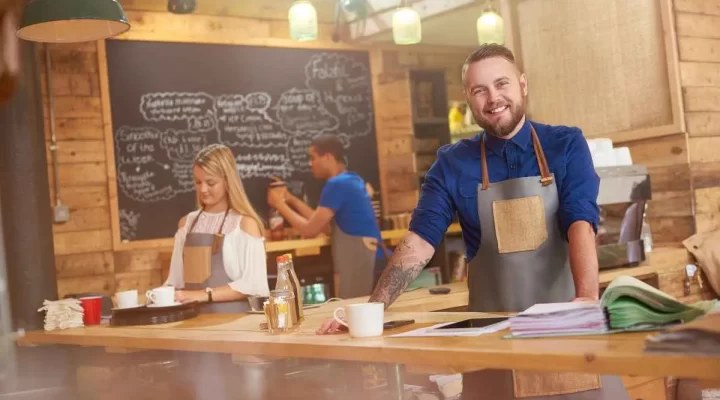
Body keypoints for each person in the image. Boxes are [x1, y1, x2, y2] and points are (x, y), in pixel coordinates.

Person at [318, 44, 630, 399]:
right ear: (468, 97)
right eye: (479, 90)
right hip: (492, 345)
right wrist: (371, 311)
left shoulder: (565, 144)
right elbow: (419, 243)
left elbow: (580, 222)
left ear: (523, 85)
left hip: (562, 332)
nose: (493, 98)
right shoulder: (452, 163)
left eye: (502, 84)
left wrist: (587, 298)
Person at [267, 135, 389, 299]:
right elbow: (323, 225)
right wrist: (291, 200)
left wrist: (279, 205)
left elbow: (310, 230)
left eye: (313, 158)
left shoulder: (336, 184)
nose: (310, 164)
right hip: (374, 259)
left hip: (363, 262)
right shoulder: (351, 179)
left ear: (328, 157)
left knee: (355, 316)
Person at [165, 143, 270, 313]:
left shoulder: (245, 224)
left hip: (235, 326)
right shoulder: (186, 224)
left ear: (228, 181)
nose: (203, 189)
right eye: (198, 182)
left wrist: (204, 294)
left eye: (211, 183)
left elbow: (254, 285)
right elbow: (175, 282)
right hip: (192, 324)